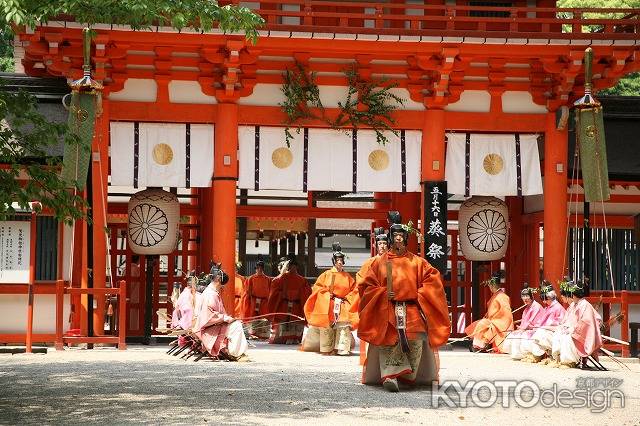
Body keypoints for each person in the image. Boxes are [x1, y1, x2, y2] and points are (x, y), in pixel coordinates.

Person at [357, 211, 450, 392]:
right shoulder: (378, 263)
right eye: (395, 236)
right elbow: (366, 286)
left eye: (401, 236)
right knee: (389, 340)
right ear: (391, 238)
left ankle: (408, 376)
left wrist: (417, 293)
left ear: (406, 238)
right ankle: (390, 375)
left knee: (415, 339)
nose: (398, 239)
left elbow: (433, 282)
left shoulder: (418, 262)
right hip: (387, 308)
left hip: (412, 308)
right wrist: (382, 293)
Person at [302, 242, 359, 355]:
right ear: (333, 261)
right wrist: (327, 294)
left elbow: (354, 290)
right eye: (337, 260)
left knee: (343, 327)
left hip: (342, 304)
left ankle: (342, 348)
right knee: (327, 327)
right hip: (328, 303)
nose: (339, 262)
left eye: (341, 260)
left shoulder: (348, 277)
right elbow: (317, 288)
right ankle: (327, 348)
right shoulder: (326, 275)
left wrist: (347, 298)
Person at [192, 263, 248, 361]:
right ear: (218, 279)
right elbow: (209, 315)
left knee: (236, 324)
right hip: (209, 329)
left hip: (213, 325)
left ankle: (235, 351)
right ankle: (236, 354)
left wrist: (227, 318)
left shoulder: (212, 292)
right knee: (237, 326)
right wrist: (225, 318)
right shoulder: (210, 293)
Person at [550, 279, 602, 368]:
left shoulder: (585, 305)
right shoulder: (574, 305)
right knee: (557, 334)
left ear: (574, 294)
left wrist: (572, 329)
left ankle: (569, 362)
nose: (570, 296)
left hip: (583, 334)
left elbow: (586, 322)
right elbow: (567, 320)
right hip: (572, 329)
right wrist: (564, 327)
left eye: (571, 294)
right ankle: (558, 359)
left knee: (567, 338)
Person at [267, 253, 311, 344]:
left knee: (288, 321)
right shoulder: (302, 280)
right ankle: (294, 338)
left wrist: (284, 294)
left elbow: (274, 287)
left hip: (286, 304)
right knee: (294, 321)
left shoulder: (282, 278)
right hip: (296, 305)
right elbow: (307, 294)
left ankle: (285, 338)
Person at [465, 271, 514, 353]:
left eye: (490, 286)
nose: (490, 288)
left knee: (483, 323)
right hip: (492, 320)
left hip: (500, 322)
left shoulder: (502, 296)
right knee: (481, 323)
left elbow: (506, 313)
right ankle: (478, 345)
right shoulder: (496, 295)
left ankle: (480, 346)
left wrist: (496, 321)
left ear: (493, 285)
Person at [521, 282, 566, 363]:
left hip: (554, 332)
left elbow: (559, 324)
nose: (544, 302)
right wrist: (534, 327)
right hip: (546, 330)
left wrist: (544, 327)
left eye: (545, 299)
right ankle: (531, 354)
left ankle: (537, 356)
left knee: (539, 333)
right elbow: (541, 322)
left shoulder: (558, 308)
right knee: (530, 333)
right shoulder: (548, 308)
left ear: (550, 297)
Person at [502, 283, 544, 360]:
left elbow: (531, 321)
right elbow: (525, 321)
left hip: (535, 329)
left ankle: (523, 354)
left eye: (527, 296)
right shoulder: (526, 309)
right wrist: (521, 327)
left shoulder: (536, 307)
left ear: (531, 296)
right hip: (527, 328)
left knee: (519, 335)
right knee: (511, 334)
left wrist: (523, 328)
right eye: (523, 296)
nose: (525, 298)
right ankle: (518, 354)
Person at [241, 260, 273, 339]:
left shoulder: (268, 279)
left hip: (264, 301)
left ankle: (263, 334)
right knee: (253, 317)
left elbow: (270, 291)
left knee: (264, 317)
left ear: (263, 269)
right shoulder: (250, 278)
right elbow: (247, 291)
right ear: (256, 269)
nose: (259, 269)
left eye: (261, 268)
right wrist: (247, 301)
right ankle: (253, 334)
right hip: (253, 300)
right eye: (258, 268)